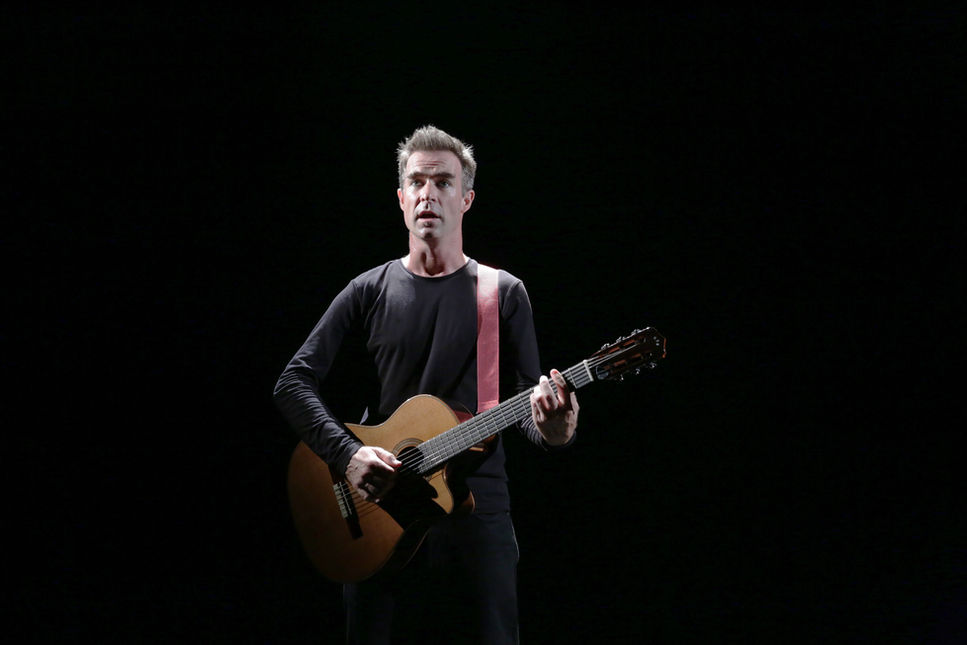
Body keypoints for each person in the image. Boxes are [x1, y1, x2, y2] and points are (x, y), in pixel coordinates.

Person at [274, 125, 579, 644]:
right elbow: (292, 382)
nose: (428, 194)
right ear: (401, 198)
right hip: (379, 519)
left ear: (466, 199)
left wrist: (556, 429)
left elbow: (530, 411)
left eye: (443, 182)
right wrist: (348, 455)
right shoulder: (367, 290)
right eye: (417, 181)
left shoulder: (503, 293)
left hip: (476, 525)